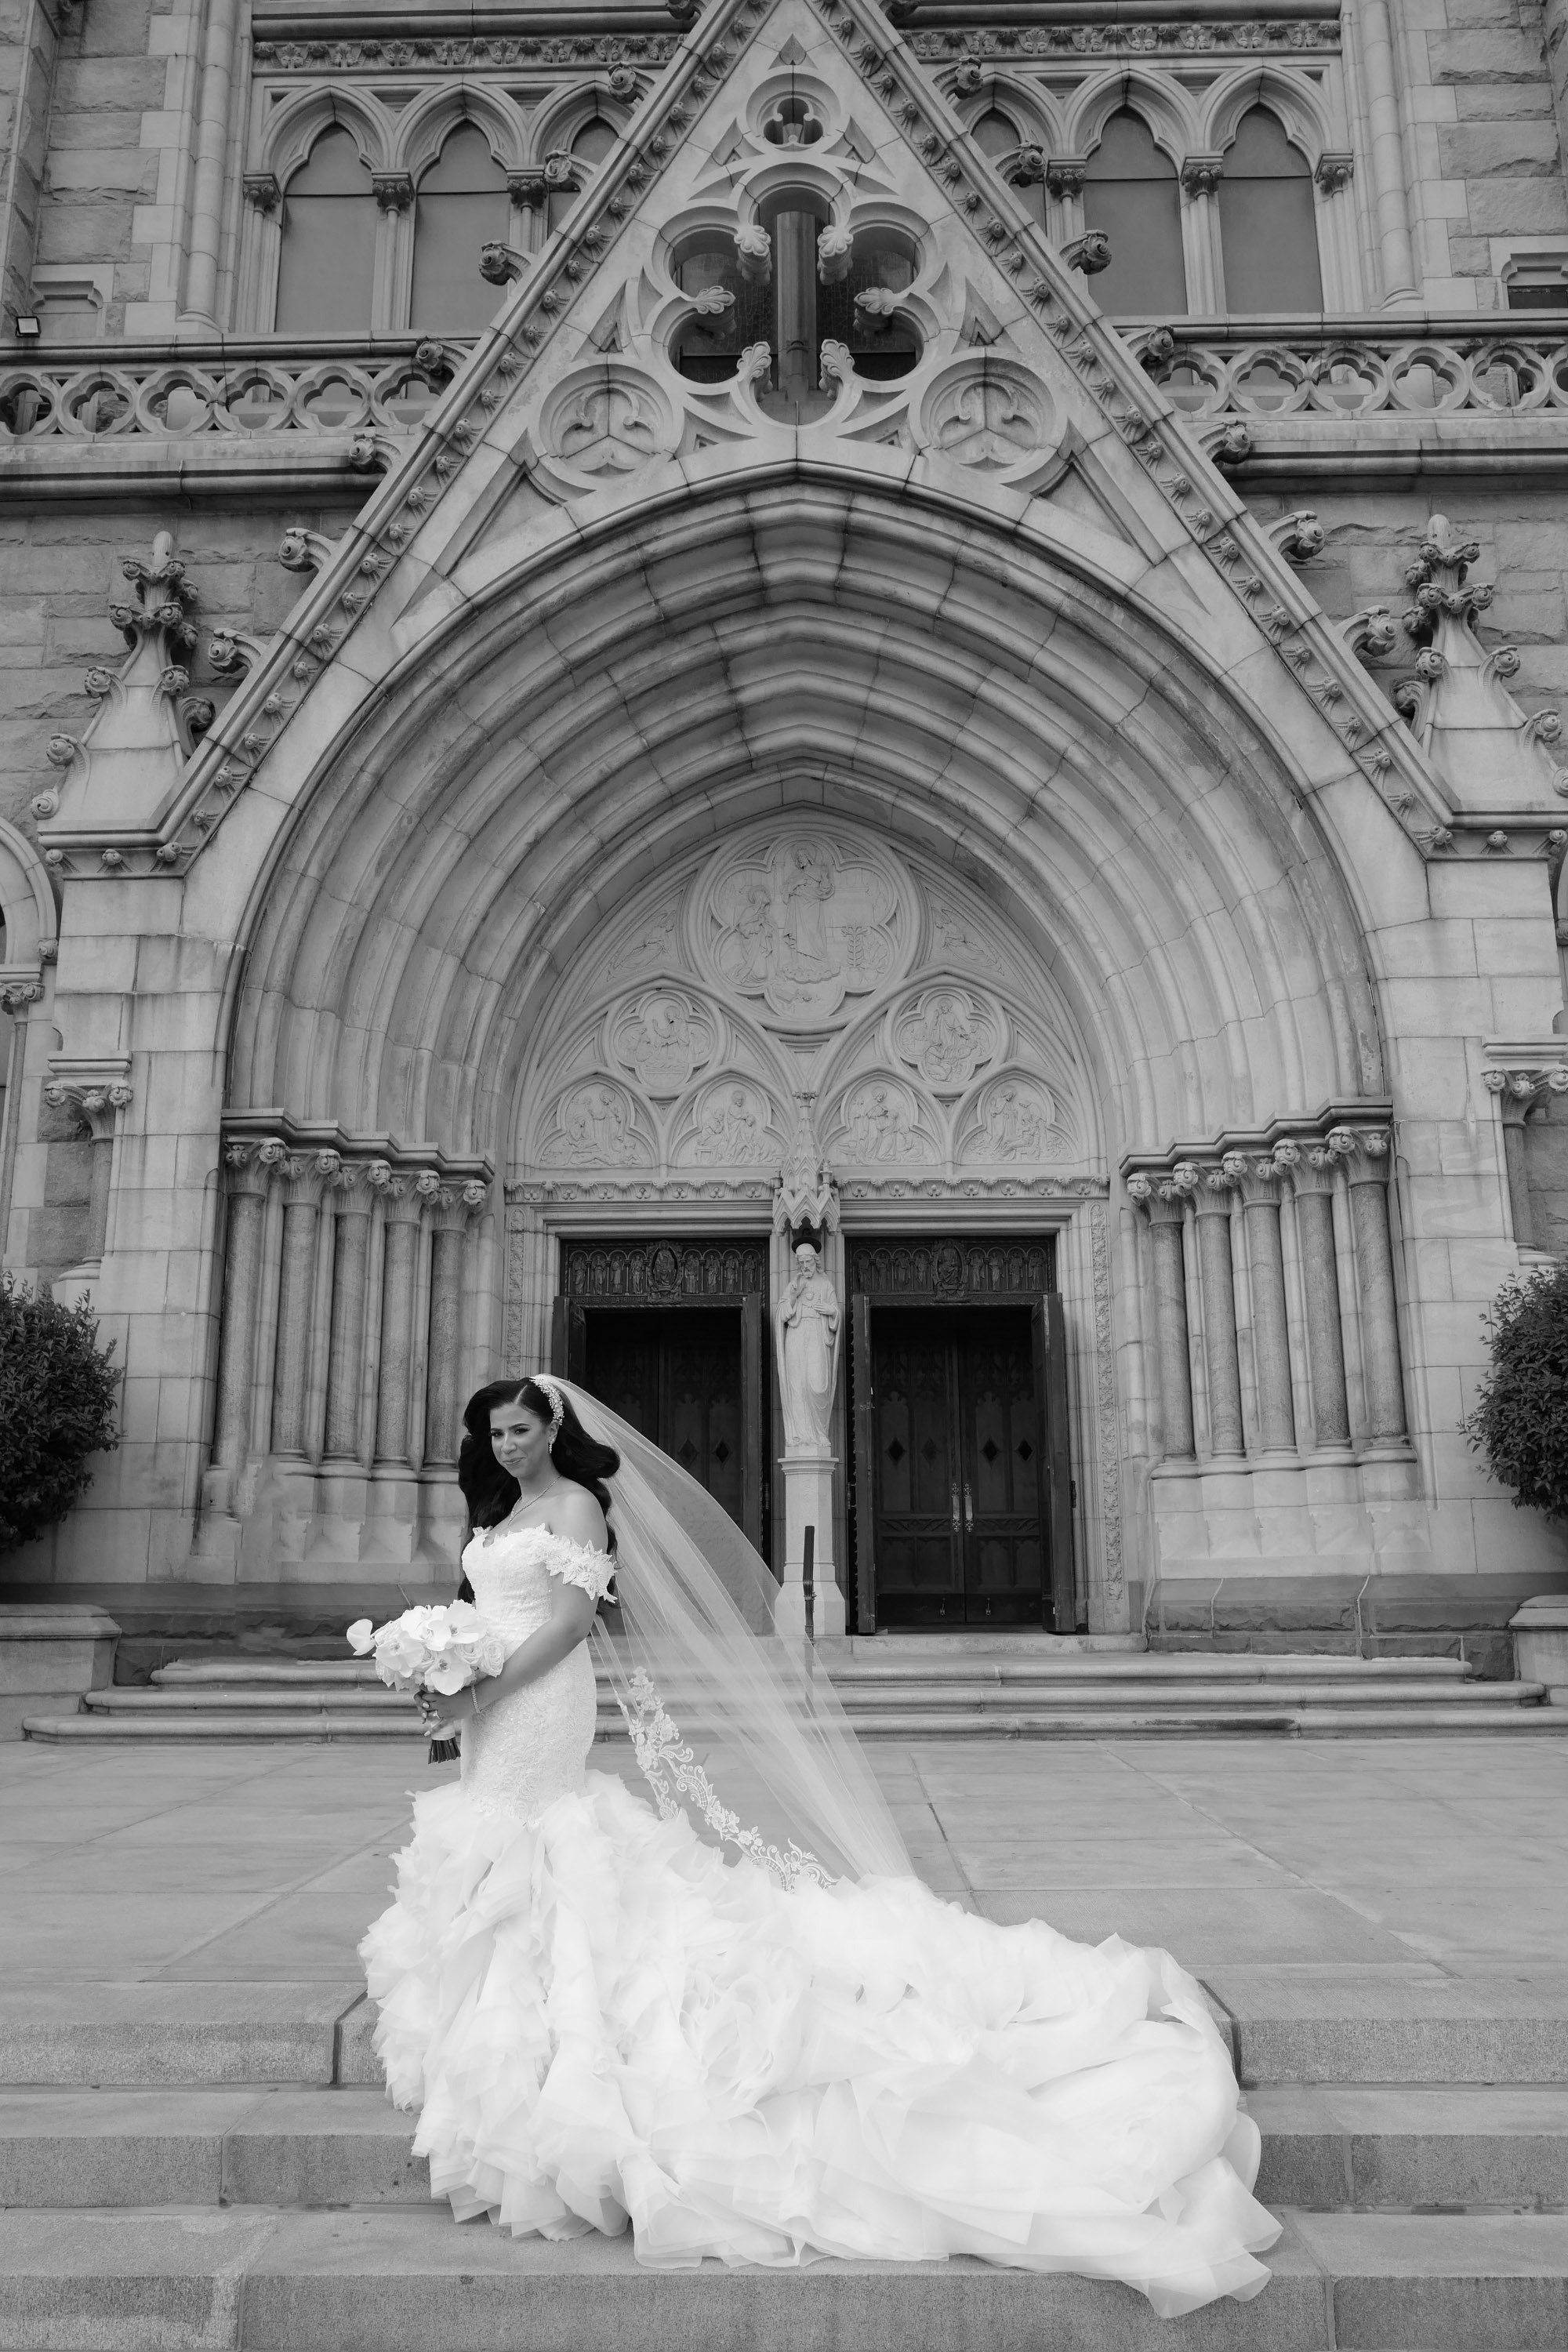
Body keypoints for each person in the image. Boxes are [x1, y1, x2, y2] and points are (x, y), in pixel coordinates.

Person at [361, 1374, 1279, 2315]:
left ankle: (570, 2060)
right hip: (490, 1710)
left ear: (552, 1427)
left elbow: (563, 1628)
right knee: (504, 1850)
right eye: (494, 1434)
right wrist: (443, 1661)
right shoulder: (503, 1508)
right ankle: (516, 2054)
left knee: (548, 1843)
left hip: (531, 1700)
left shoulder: (578, 1507)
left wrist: (479, 1687)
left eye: (518, 1429)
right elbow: (496, 1609)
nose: (506, 1445)